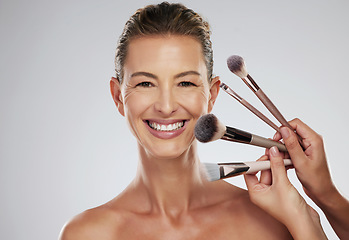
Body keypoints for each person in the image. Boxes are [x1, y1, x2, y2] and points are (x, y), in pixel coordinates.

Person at [59, 2, 348, 239]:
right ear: (118, 97)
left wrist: (306, 213)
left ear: (211, 95)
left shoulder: (272, 221)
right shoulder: (87, 233)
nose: (166, 106)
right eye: (146, 84)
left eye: (185, 83)